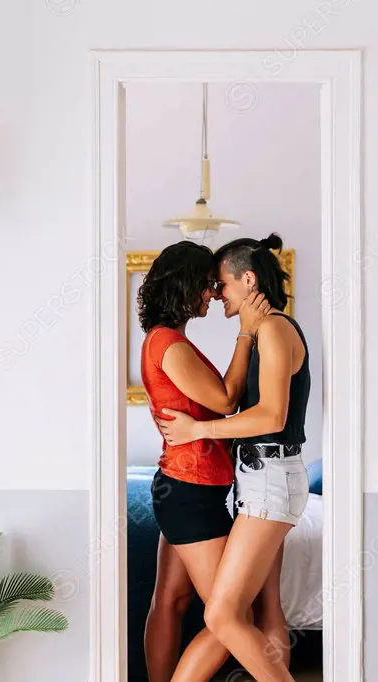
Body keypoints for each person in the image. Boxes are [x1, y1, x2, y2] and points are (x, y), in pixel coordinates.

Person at [158, 233, 310, 682]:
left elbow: (270, 414)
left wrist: (198, 430)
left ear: (248, 279)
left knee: (222, 615)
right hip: (259, 480)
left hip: (272, 478)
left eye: (221, 284)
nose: (217, 293)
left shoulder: (277, 329)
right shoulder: (262, 331)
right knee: (248, 610)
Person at [137, 240, 272, 682]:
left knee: (171, 601)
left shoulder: (166, 340)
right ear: (186, 285)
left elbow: (207, 410)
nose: (213, 295)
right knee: (228, 616)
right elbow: (227, 399)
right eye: (207, 285)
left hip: (184, 485)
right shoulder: (169, 344)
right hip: (190, 492)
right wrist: (247, 332)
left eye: (218, 286)